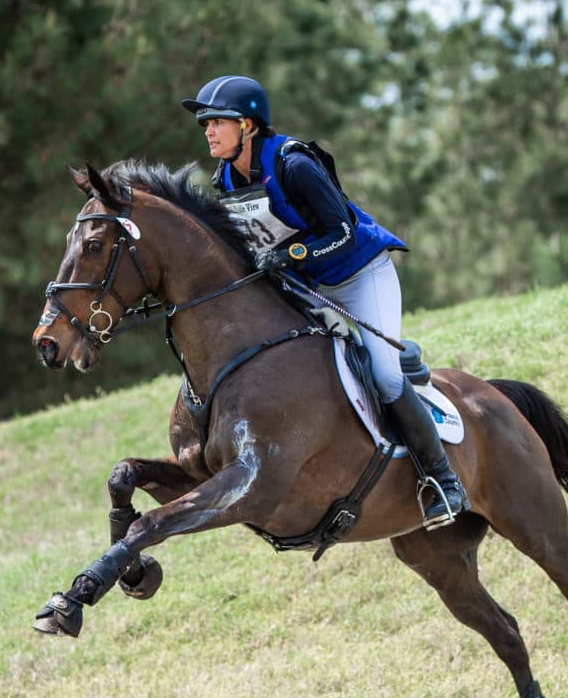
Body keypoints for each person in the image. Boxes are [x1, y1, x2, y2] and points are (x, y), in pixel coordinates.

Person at [181, 74, 469, 528]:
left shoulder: (295, 165)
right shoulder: (227, 179)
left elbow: (342, 230)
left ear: (249, 127)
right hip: (307, 285)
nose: (209, 132)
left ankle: (443, 480)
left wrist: (289, 254)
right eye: (206, 124)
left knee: (384, 374)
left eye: (218, 122)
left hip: (358, 275)